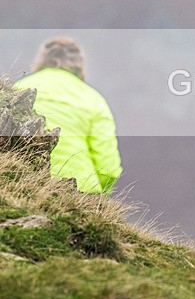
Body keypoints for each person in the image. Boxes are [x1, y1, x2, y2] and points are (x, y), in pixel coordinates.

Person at [14, 36, 122, 194]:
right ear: (79, 66)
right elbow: (108, 170)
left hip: (23, 184)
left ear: (42, 60)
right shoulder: (94, 100)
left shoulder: (20, 89)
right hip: (80, 193)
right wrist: (99, 200)